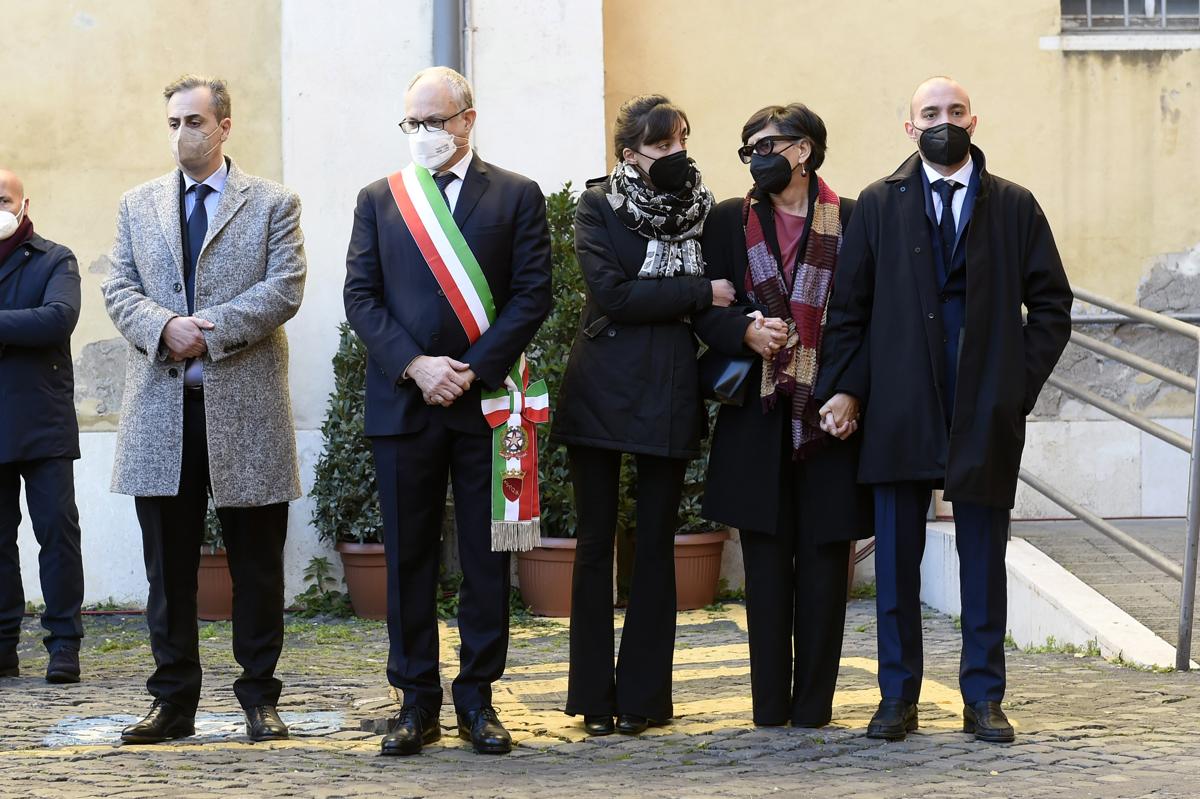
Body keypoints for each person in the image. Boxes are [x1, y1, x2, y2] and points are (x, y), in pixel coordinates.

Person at [816, 77, 1072, 743]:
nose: (943, 122)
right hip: (898, 405)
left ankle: (984, 697)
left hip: (985, 406)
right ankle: (897, 695)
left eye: (955, 112)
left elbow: (1052, 306)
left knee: (984, 558)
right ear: (909, 128)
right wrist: (845, 389)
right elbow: (849, 310)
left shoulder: (1014, 206)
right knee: (895, 560)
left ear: (975, 120)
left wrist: (1018, 385)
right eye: (930, 113)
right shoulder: (875, 205)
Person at [344, 66, 552, 757]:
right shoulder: (380, 199)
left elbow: (532, 294)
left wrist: (472, 368)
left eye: (435, 121)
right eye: (413, 123)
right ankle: (415, 701)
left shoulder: (516, 195)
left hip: (485, 405)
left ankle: (478, 699)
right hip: (405, 403)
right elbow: (361, 298)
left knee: (488, 557)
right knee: (408, 557)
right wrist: (417, 364)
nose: (424, 134)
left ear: (467, 118)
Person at [102, 75, 307, 744]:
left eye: (193, 120)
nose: (181, 133)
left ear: (224, 125)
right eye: (172, 122)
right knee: (169, 568)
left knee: (256, 564)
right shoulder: (137, 205)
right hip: (161, 412)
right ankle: (172, 701)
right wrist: (164, 326)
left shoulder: (273, 202)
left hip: (245, 408)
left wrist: (209, 326)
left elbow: (284, 286)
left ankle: (259, 698)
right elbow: (119, 287)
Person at [551, 95, 745, 737]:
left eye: (681, 140)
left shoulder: (706, 211)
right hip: (602, 383)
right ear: (629, 153)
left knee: (657, 544)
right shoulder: (597, 204)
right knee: (594, 542)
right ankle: (593, 698)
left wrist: (728, 312)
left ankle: (643, 698)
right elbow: (614, 295)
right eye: (661, 145)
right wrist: (698, 291)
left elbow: (719, 299)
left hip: (669, 386)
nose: (675, 154)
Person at [696, 104, 872, 728]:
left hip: (831, 415)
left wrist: (850, 392)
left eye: (767, 146)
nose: (757, 159)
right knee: (766, 568)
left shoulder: (854, 219)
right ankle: (769, 706)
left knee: (827, 564)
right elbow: (704, 308)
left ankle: (814, 708)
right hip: (760, 412)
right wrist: (744, 331)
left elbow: (870, 317)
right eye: (748, 149)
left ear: (804, 150)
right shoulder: (725, 221)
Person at [0, 168, 85, 685]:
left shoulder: (55, 258)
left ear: (24, 201)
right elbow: (32, 324)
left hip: (42, 419)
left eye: (4, 198)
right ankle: (3, 644)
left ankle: (64, 644)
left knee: (57, 533)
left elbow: (57, 318)